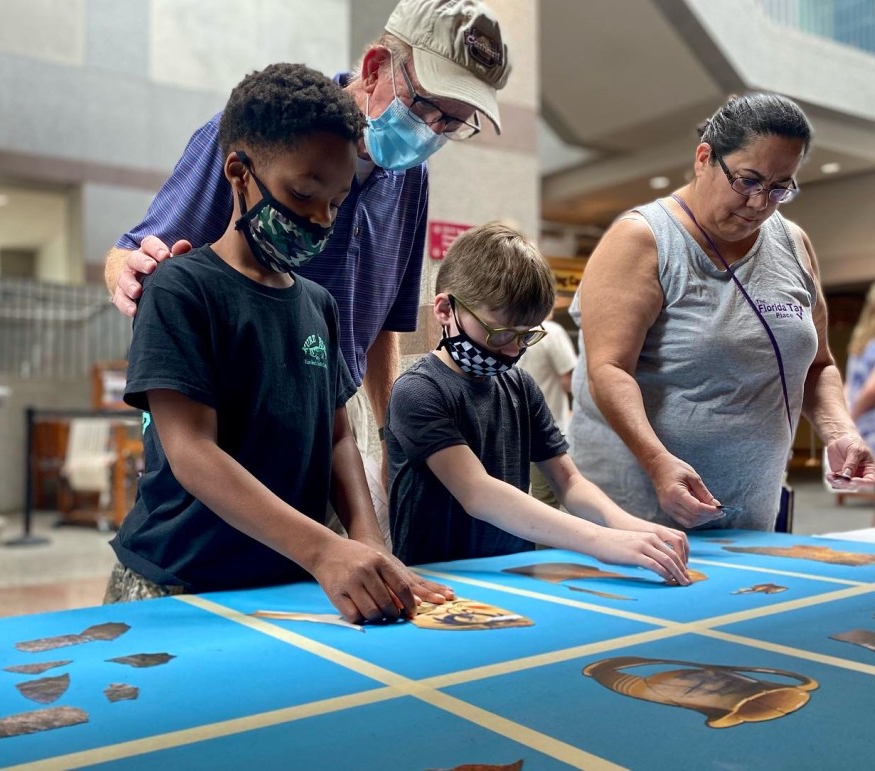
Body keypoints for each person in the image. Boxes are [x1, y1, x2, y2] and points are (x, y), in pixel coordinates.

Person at [103, 0, 511, 497]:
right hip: (234, 395)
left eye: (453, 124)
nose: (433, 130)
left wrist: (386, 439)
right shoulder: (265, 132)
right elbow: (131, 253)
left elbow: (382, 327)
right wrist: (131, 274)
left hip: (337, 406)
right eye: (426, 105)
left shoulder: (410, 181)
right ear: (375, 67)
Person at [104, 63, 452, 624]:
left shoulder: (319, 305)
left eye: (336, 203)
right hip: (176, 586)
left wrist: (369, 542)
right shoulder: (181, 288)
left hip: (282, 583)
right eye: (302, 193)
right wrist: (324, 549)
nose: (319, 219)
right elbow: (192, 451)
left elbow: (338, 437)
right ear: (239, 172)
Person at [568, 92, 875, 532]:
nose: (759, 203)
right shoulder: (643, 240)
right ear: (704, 158)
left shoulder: (794, 244)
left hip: (750, 507)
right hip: (637, 511)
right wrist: (658, 462)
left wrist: (841, 431)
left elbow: (817, 365)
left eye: (778, 188)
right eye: (748, 180)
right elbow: (609, 370)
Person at [385, 222, 691, 584]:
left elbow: (569, 482)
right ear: (445, 310)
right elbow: (477, 493)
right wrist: (600, 541)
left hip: (511, 572)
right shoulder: (418, 391)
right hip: (437, 579)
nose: (514, 350)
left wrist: (632, 528)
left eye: (526, 336)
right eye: (500, 333)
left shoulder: (519, 385)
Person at [515, 309, 577, 507]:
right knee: (551, 501)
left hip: (517, 431)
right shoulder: (550, 331)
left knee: (529, 500)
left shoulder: (509, 330)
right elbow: (569, 381)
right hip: (550, 431)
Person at [846, 284, 875, 453]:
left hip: (858, 431)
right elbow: (871, 390)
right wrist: (852, 418)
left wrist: (845, 419)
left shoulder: (860, 344)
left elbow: (848, 387)